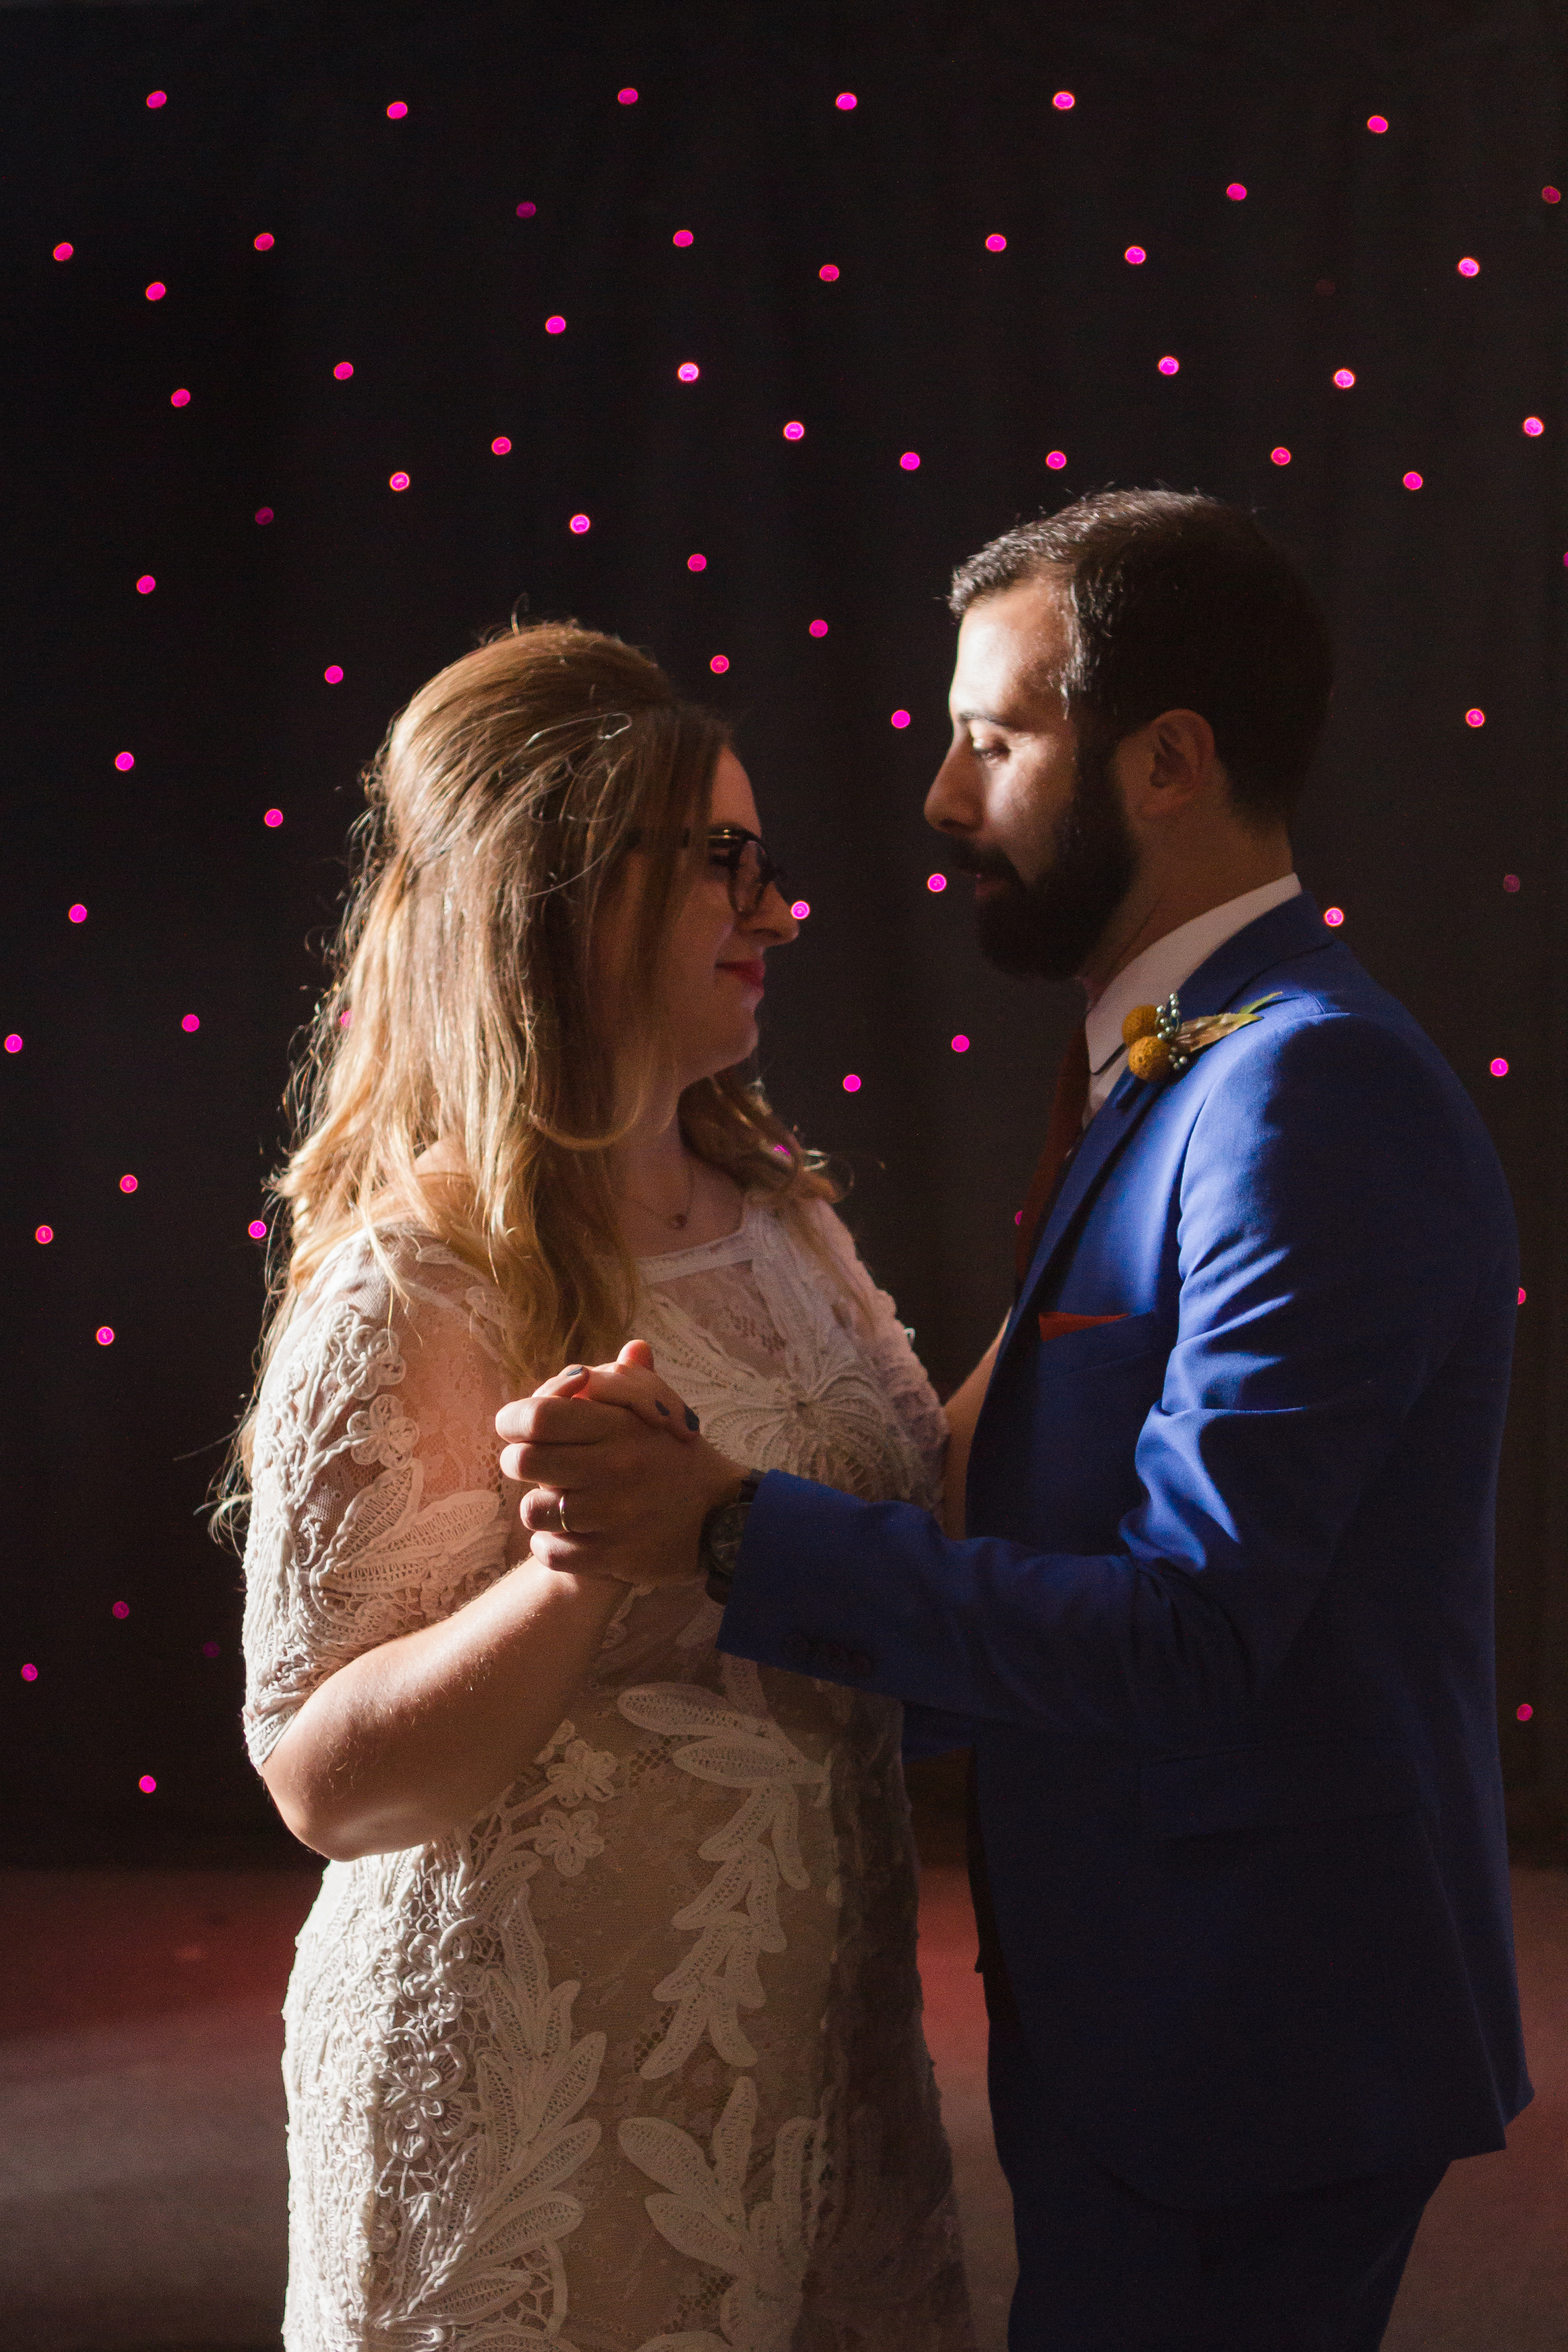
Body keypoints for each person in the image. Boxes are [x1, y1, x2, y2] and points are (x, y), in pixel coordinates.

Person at [498, 493, 1533, 2352]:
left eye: (989, 739)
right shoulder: (1182, 1060)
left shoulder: (1303, 1094)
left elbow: (1197, 1633)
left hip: (1250, 2050)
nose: (939, 801)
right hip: (1162, 2020)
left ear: (1165, 763)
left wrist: (727, 1529)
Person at [228, 622, 973, 2351]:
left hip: (795, 2066)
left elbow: (923, 1508)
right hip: (529, 2105)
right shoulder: (420, 1279)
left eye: (766, 863)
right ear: (558, 888)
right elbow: (325, 1784)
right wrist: (575, 1572)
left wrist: (1101, 1238)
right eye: (722, 862)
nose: (774, 910)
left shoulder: (774, 1208)